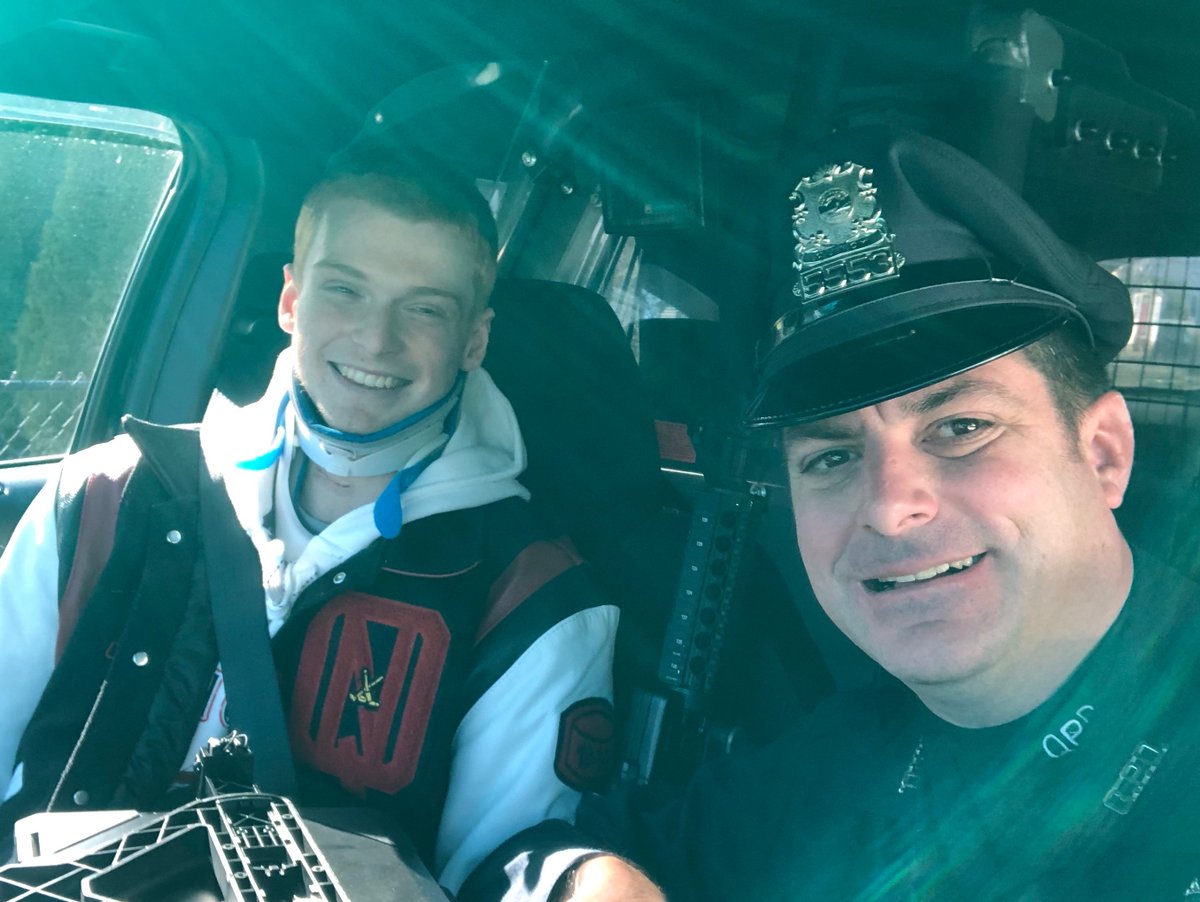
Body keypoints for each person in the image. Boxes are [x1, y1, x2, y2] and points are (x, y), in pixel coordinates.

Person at [461, 126, 1200, 901]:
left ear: (1105, 453)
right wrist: (589, 880)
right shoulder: (844, 761)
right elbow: (565, 857)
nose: (889, 507)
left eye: (960, 428)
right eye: (832, 457)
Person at [0, 148, 619, 894]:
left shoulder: (534, 599)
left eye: (424, 307)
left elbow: (500, 870)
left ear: (475, 340)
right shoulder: (102, 495)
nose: (376, 338)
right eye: (344, 291)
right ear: (290, 301)